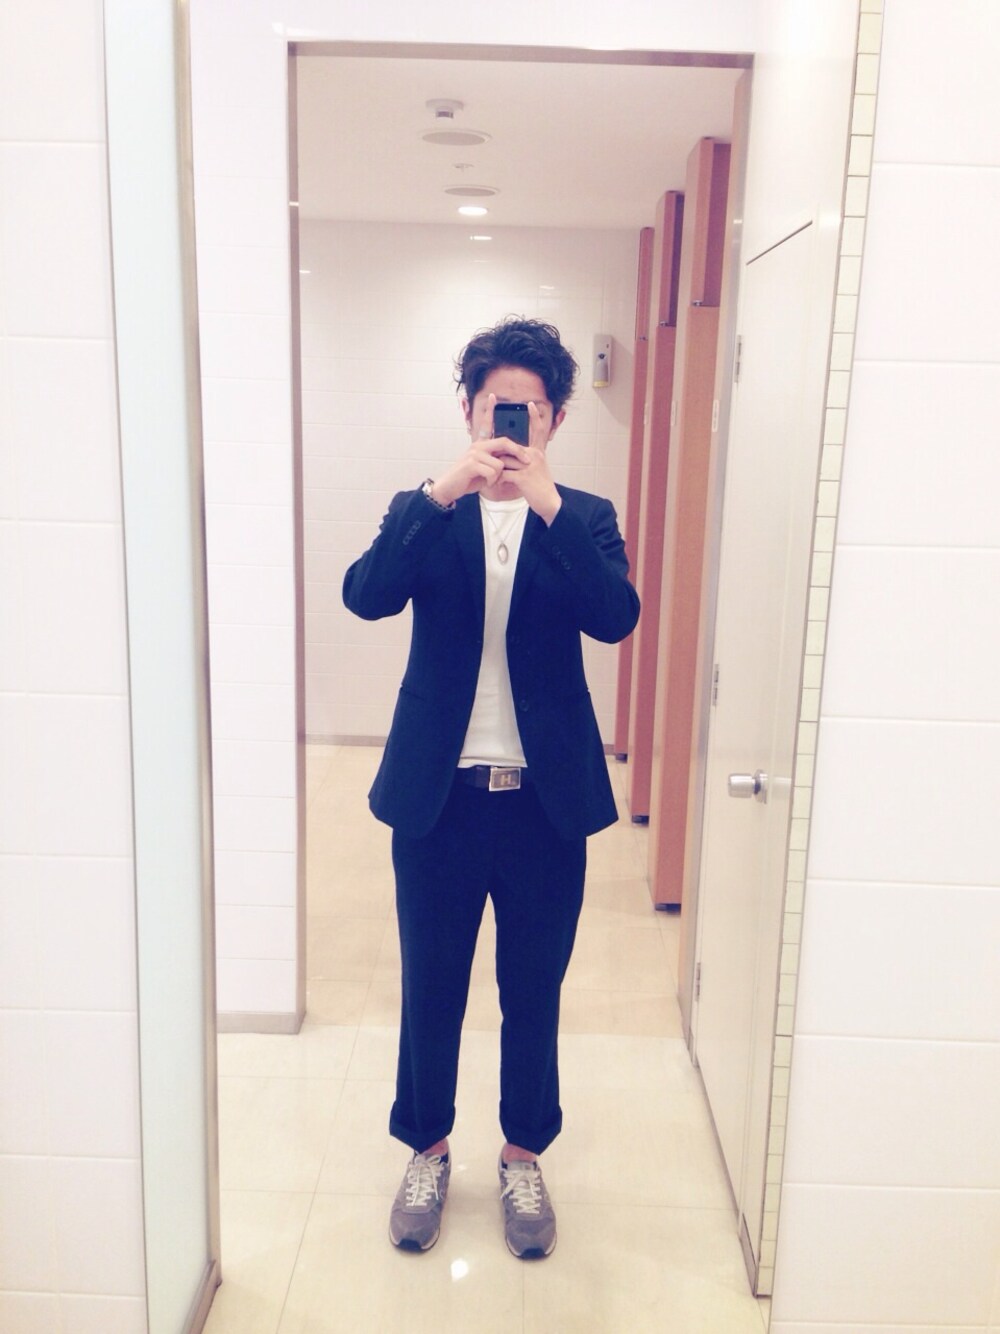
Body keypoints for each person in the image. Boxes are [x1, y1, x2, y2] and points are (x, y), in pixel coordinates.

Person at [342, 316, 640, 1259]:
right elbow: (366, 594)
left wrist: (548, 507)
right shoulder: (426, 511)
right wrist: (442, 493)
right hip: (441, 800)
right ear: (469, 409)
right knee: (431, 984)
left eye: (530, 409)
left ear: (554, 418)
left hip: (544, 806)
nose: (510, 423)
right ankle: (426, 1150)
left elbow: (616, 617)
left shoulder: (583, 516)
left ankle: (522, 1156)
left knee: (532, 989)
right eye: (493, 405)